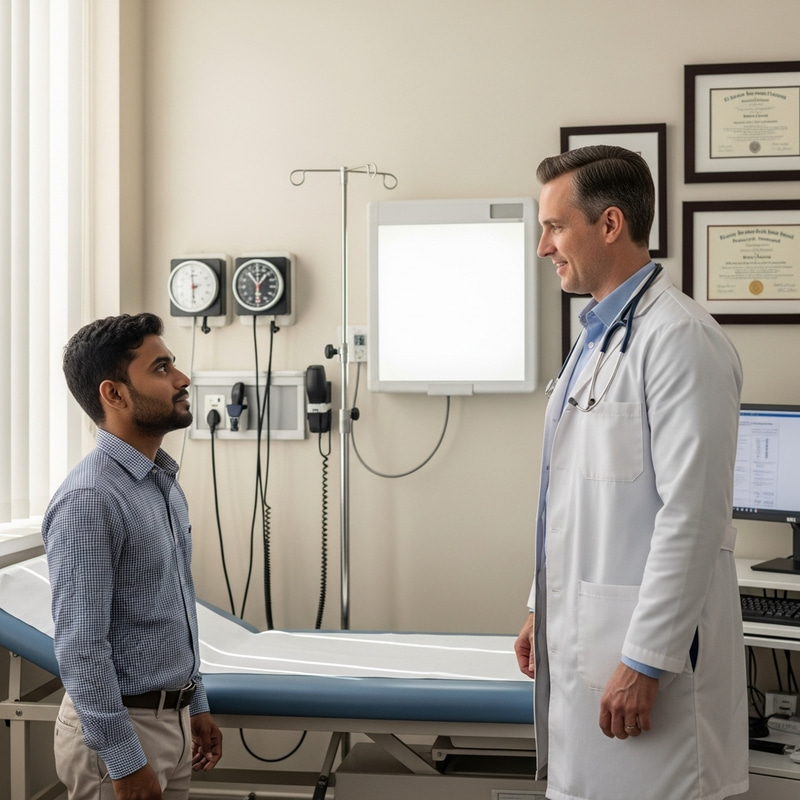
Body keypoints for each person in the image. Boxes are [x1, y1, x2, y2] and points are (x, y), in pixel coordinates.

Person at [514, 146, 748, 800]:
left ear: (610, 223)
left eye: (555, 227)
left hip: (648, 670)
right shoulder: (597, 337)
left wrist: (645, 659)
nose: (543, 247)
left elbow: (693, 517)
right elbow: (576, 500)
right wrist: (541, 607)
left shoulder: (680, 339)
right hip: (590, 647)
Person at [42, 313, 222, 800]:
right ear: (114, 394)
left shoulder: (160, 483)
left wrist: (195, 703)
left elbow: (173, 610)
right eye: (161, 368)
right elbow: (81, 647)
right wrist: (124, 761)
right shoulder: (91, 499)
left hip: (172, 722)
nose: (182, 379)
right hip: (122, 733)